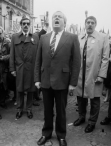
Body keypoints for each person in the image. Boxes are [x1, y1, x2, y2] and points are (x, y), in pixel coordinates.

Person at [34, 11, 81, 146]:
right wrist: (37, 79)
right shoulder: (43, 38)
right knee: (47, 110)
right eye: (54, 17)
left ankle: (61, 135)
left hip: (62, 81)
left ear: (64, 23)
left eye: (59, 17)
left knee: (61, 111)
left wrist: (73, 82)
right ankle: (46, 133)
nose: (56, 18)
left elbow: (76, 62)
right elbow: (38, 60)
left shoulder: (72, 37)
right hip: (46, 81)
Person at [73, 16, 110, 133]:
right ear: (85, 24)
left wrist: (101, 75)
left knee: (94, 99)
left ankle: (92, 122)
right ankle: (81, 116)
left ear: (95, 25)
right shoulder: (79, 37)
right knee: (80, 97)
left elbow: (105, 58)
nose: (90, 24)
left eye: (92, 23)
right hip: (80, 73)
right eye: (88, 22)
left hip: (94, 74)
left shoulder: (103, 38)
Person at [9, 18, 39, 119]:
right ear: (21, 25)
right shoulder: (15, 37)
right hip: (19, 68)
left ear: (30, 25)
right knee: (19, 89)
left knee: (31, 89)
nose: (26, 25)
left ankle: (29, 109)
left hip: (31, 68)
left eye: (27, 24)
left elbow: (38, 55)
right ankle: (19, 109)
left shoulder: (35, 37)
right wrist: (12, 68)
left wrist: (37, 69)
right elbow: (12, 54)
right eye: (24, 24)